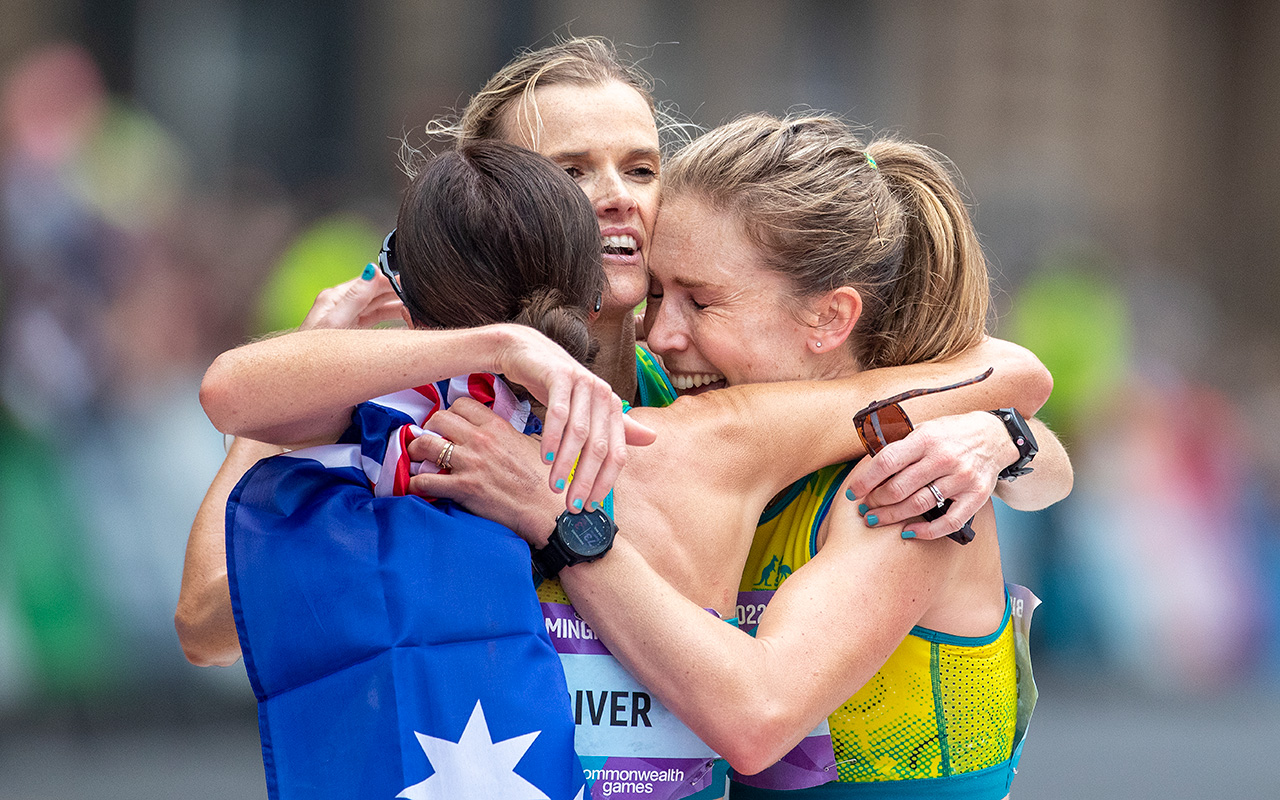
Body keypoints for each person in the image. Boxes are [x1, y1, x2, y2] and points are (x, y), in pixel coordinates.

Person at [199, 112, 1069, 800]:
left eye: (699, 301)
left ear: (829, 318)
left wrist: (1009, 437)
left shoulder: (908, 474)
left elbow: (758, 715)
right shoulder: (648, 400)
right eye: (659, 293)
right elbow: (206, 600)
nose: (662, 330)